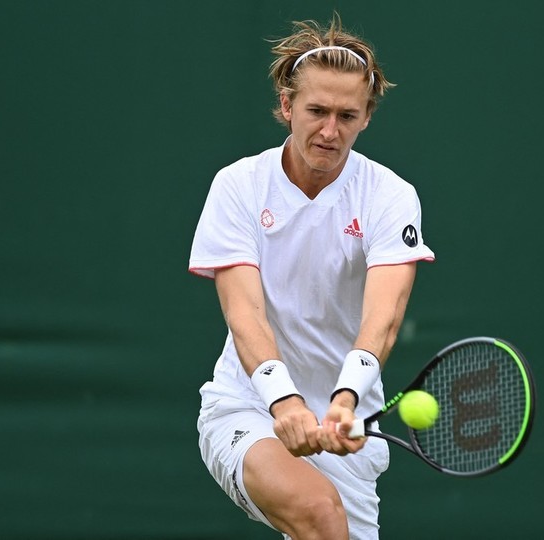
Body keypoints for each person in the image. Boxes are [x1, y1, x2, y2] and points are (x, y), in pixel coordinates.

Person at [188, 14, 435, 540]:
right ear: (287, 106)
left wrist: (345, 398)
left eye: (347, 115)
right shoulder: (238, 186)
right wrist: (285, 400)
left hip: (348, 428)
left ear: (366, 118)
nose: (329, 131)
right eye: (316, 111)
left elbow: (384, 317)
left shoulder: (391, 196)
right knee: (320, 514)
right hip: (249, 407)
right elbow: (244, 313)